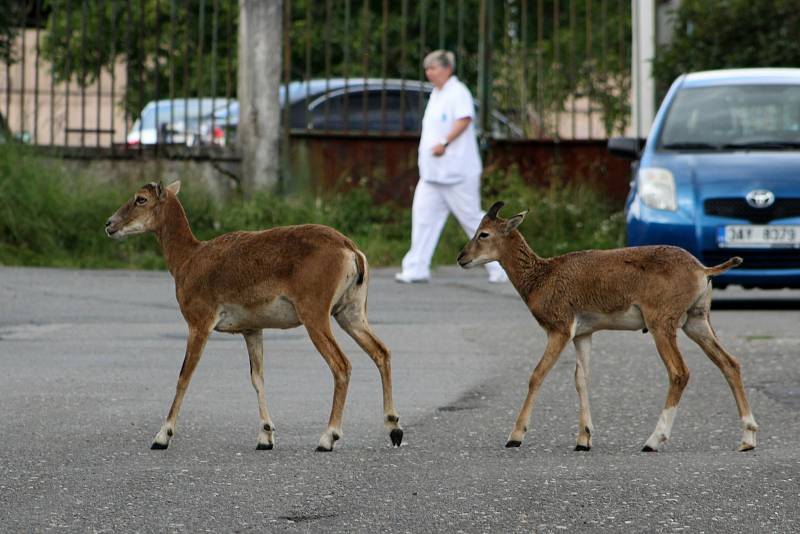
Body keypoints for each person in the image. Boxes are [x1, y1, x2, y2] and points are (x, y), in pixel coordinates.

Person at [395, 50, 508, 284]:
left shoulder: (458, 92)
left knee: (473, 221)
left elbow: (464, 119)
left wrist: (444, 142)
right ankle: (416, 267)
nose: (429, 73)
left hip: (457, 173)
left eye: (433, 68)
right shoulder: (438, 93)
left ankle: (501, 266)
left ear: (447, 69)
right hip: (432, 175)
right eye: (427, 69)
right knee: (423, 219)